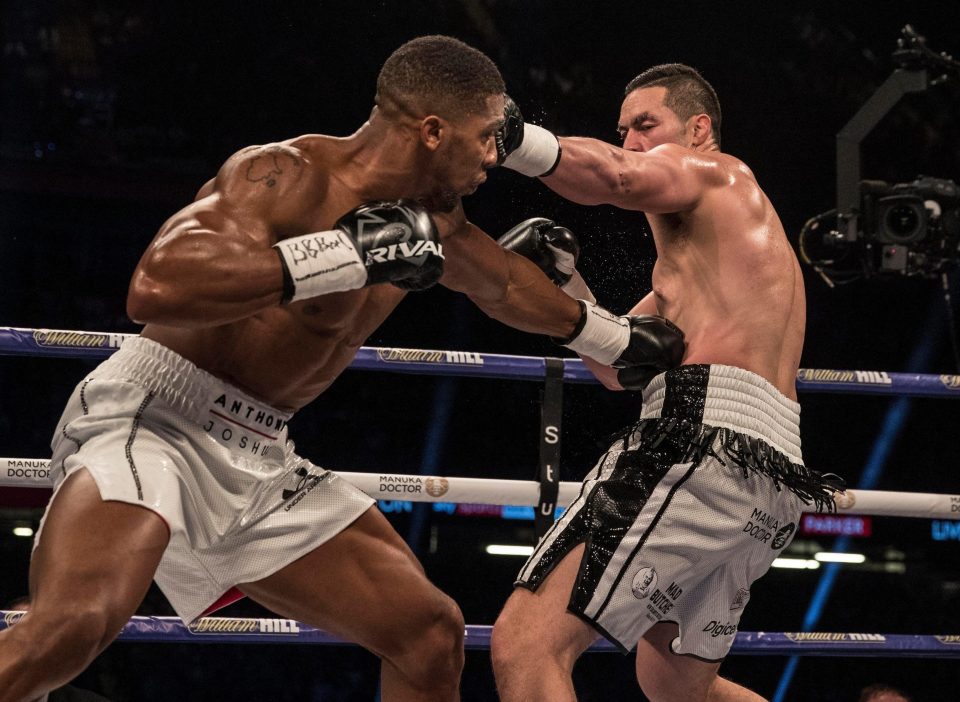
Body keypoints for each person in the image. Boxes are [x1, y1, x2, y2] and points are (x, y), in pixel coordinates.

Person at [0, 36, 685, 702]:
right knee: (73, 625)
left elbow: (502, 282)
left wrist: (610, 336)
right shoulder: (285, 174)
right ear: (433, 131)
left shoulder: (435, 221)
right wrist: (339, 256)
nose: (493, 157)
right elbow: (155, 287)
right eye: (484, 138)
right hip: (161, 417)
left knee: (429, 634)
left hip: (262, 450)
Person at [489, 63, 842, 701]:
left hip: (698, 444)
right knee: (675, 687)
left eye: (646, 125)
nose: (631, 143)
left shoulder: (721, 172)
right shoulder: (709, 263)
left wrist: (512, 139)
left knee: (526, 642)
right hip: (769, 477)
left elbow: (616, 178)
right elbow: (617, 366)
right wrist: (567, 281)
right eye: (622, 130)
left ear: (697, 129)